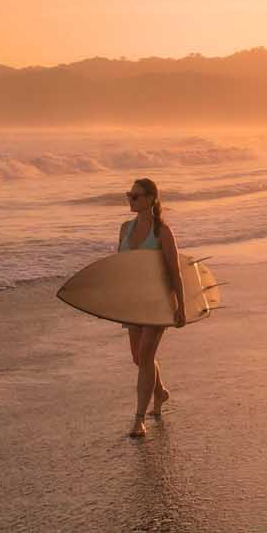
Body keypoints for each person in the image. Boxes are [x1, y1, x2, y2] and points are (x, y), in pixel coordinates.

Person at [119, 177, 185, 438]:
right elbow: (119, 266)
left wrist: (181, 307)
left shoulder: (162, 232)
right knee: (138, 358)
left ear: (150, 199)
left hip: (157, 302)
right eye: (129, 195)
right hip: (132, 301)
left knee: (145, 356)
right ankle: (160, 393)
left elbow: (175, 272)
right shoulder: (125, 229)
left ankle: (138, 419)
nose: (130, 200)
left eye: (135, 196)